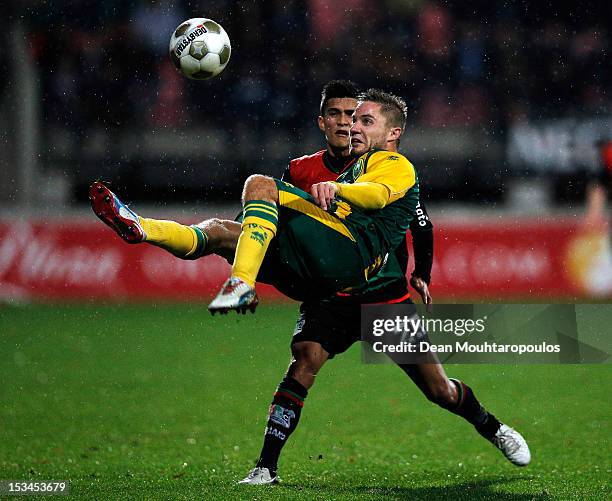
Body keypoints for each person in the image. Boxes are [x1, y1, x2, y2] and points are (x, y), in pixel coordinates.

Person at [90, 83, 530, 486]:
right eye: (345, 116)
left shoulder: (391, 165)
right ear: (323, 122)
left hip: (381, 292)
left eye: (361, 119)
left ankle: (494, 427)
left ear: (390, 133)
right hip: (326, 288)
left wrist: (420, 269)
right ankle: (265, 467)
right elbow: (277, 215)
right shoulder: (305, 170)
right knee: (293, 341)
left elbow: (405, 213)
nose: (350, 124)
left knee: (439, 389)